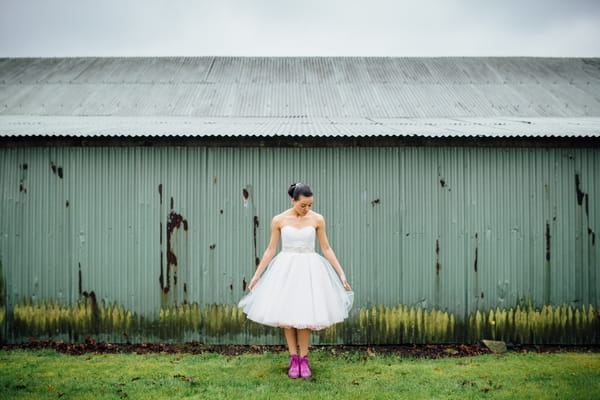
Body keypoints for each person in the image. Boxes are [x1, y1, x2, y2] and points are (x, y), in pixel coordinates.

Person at [238, 183, 354, 379]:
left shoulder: (317, 219)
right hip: (286, 269)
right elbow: (270, 249)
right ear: (293, 200)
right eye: (303, 205)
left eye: (310, 205)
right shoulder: (279, 220)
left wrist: (341, 273)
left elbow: (326, 248)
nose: (307, 209)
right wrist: (257, 275)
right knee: (287, 316)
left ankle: (304, 359)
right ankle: (293, 359)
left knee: (305, 316)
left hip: (309, 269)